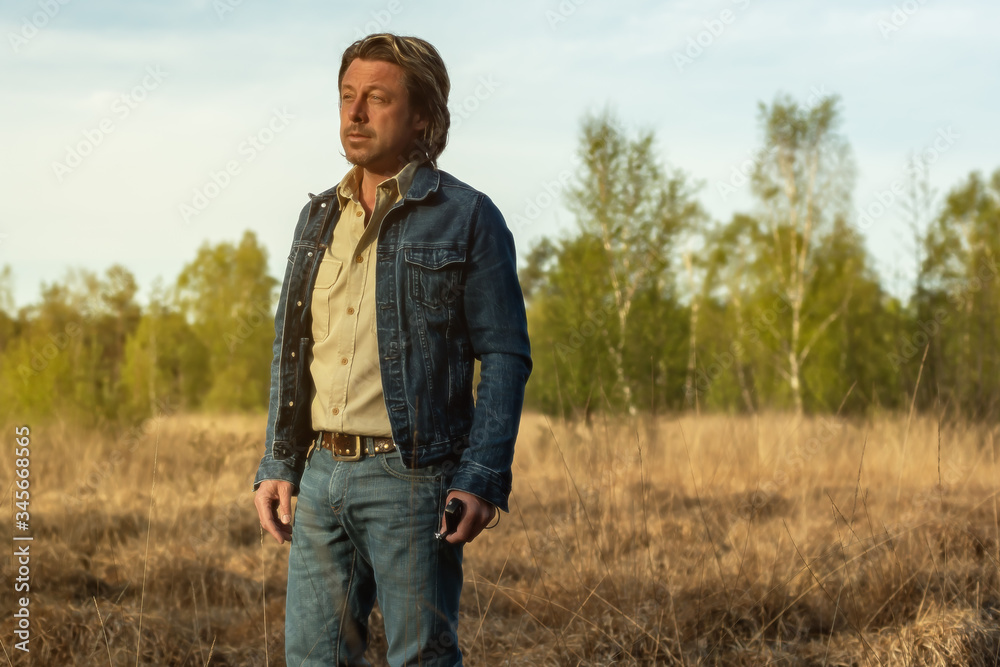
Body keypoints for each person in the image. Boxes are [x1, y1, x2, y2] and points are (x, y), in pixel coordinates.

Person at [252, 33, 531, 666]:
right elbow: (291, 347)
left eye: (376, 99)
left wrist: (481, 478)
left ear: (423, 118)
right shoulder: (317, 217)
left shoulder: (468, 216)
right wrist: (278, 460)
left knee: (420, 660)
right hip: (320, 479)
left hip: (414, 478)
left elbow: (507, 354)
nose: (354, 114)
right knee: (314, 660)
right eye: (347, 97)